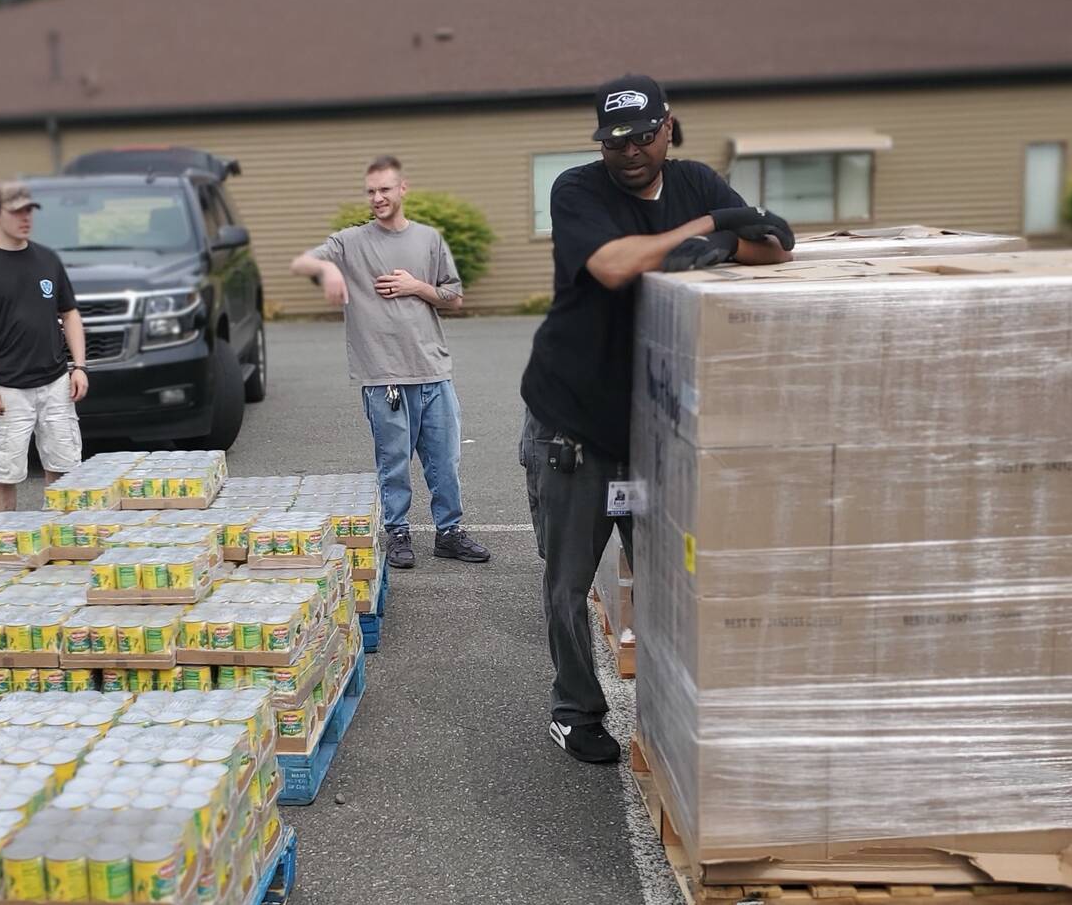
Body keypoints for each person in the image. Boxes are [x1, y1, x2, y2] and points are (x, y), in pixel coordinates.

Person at [518, 75, 792, 763]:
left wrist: (727, 244)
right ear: (600, 145)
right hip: (572, 424)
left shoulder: (696, 180)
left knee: (667, 578)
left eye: (643, 136)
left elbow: (775, 248)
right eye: (616, 142)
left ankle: (672, 707)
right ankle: (575, 710)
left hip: (651, 429)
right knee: (568, 582)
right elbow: (613, 266)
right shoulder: (577, 190)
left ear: (668, 127)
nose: (631, 152)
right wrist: (707, 229)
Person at [289, 155, 489, 570]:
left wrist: (417, 286)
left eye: (384, 189)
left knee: (445, 462)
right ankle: (398, 532)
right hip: (384, 378)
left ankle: (449, 533)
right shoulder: (350, 242)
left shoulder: (429, 239)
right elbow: (303, 261)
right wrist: (329, 273)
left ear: (402, 189)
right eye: (371, 191)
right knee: (393, 463)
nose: (377, 197)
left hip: (433, 372)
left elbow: (454, 297)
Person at [0, 179, 89, 518]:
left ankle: (57, 538)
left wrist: (79, 367)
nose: (25, 218)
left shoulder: (47, 259)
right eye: (16, 211)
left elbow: (70, 313)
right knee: (5, 473)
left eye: (29, 210)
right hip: (6, 387)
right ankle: (4, 540)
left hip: (56, 382)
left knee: (63, 468)